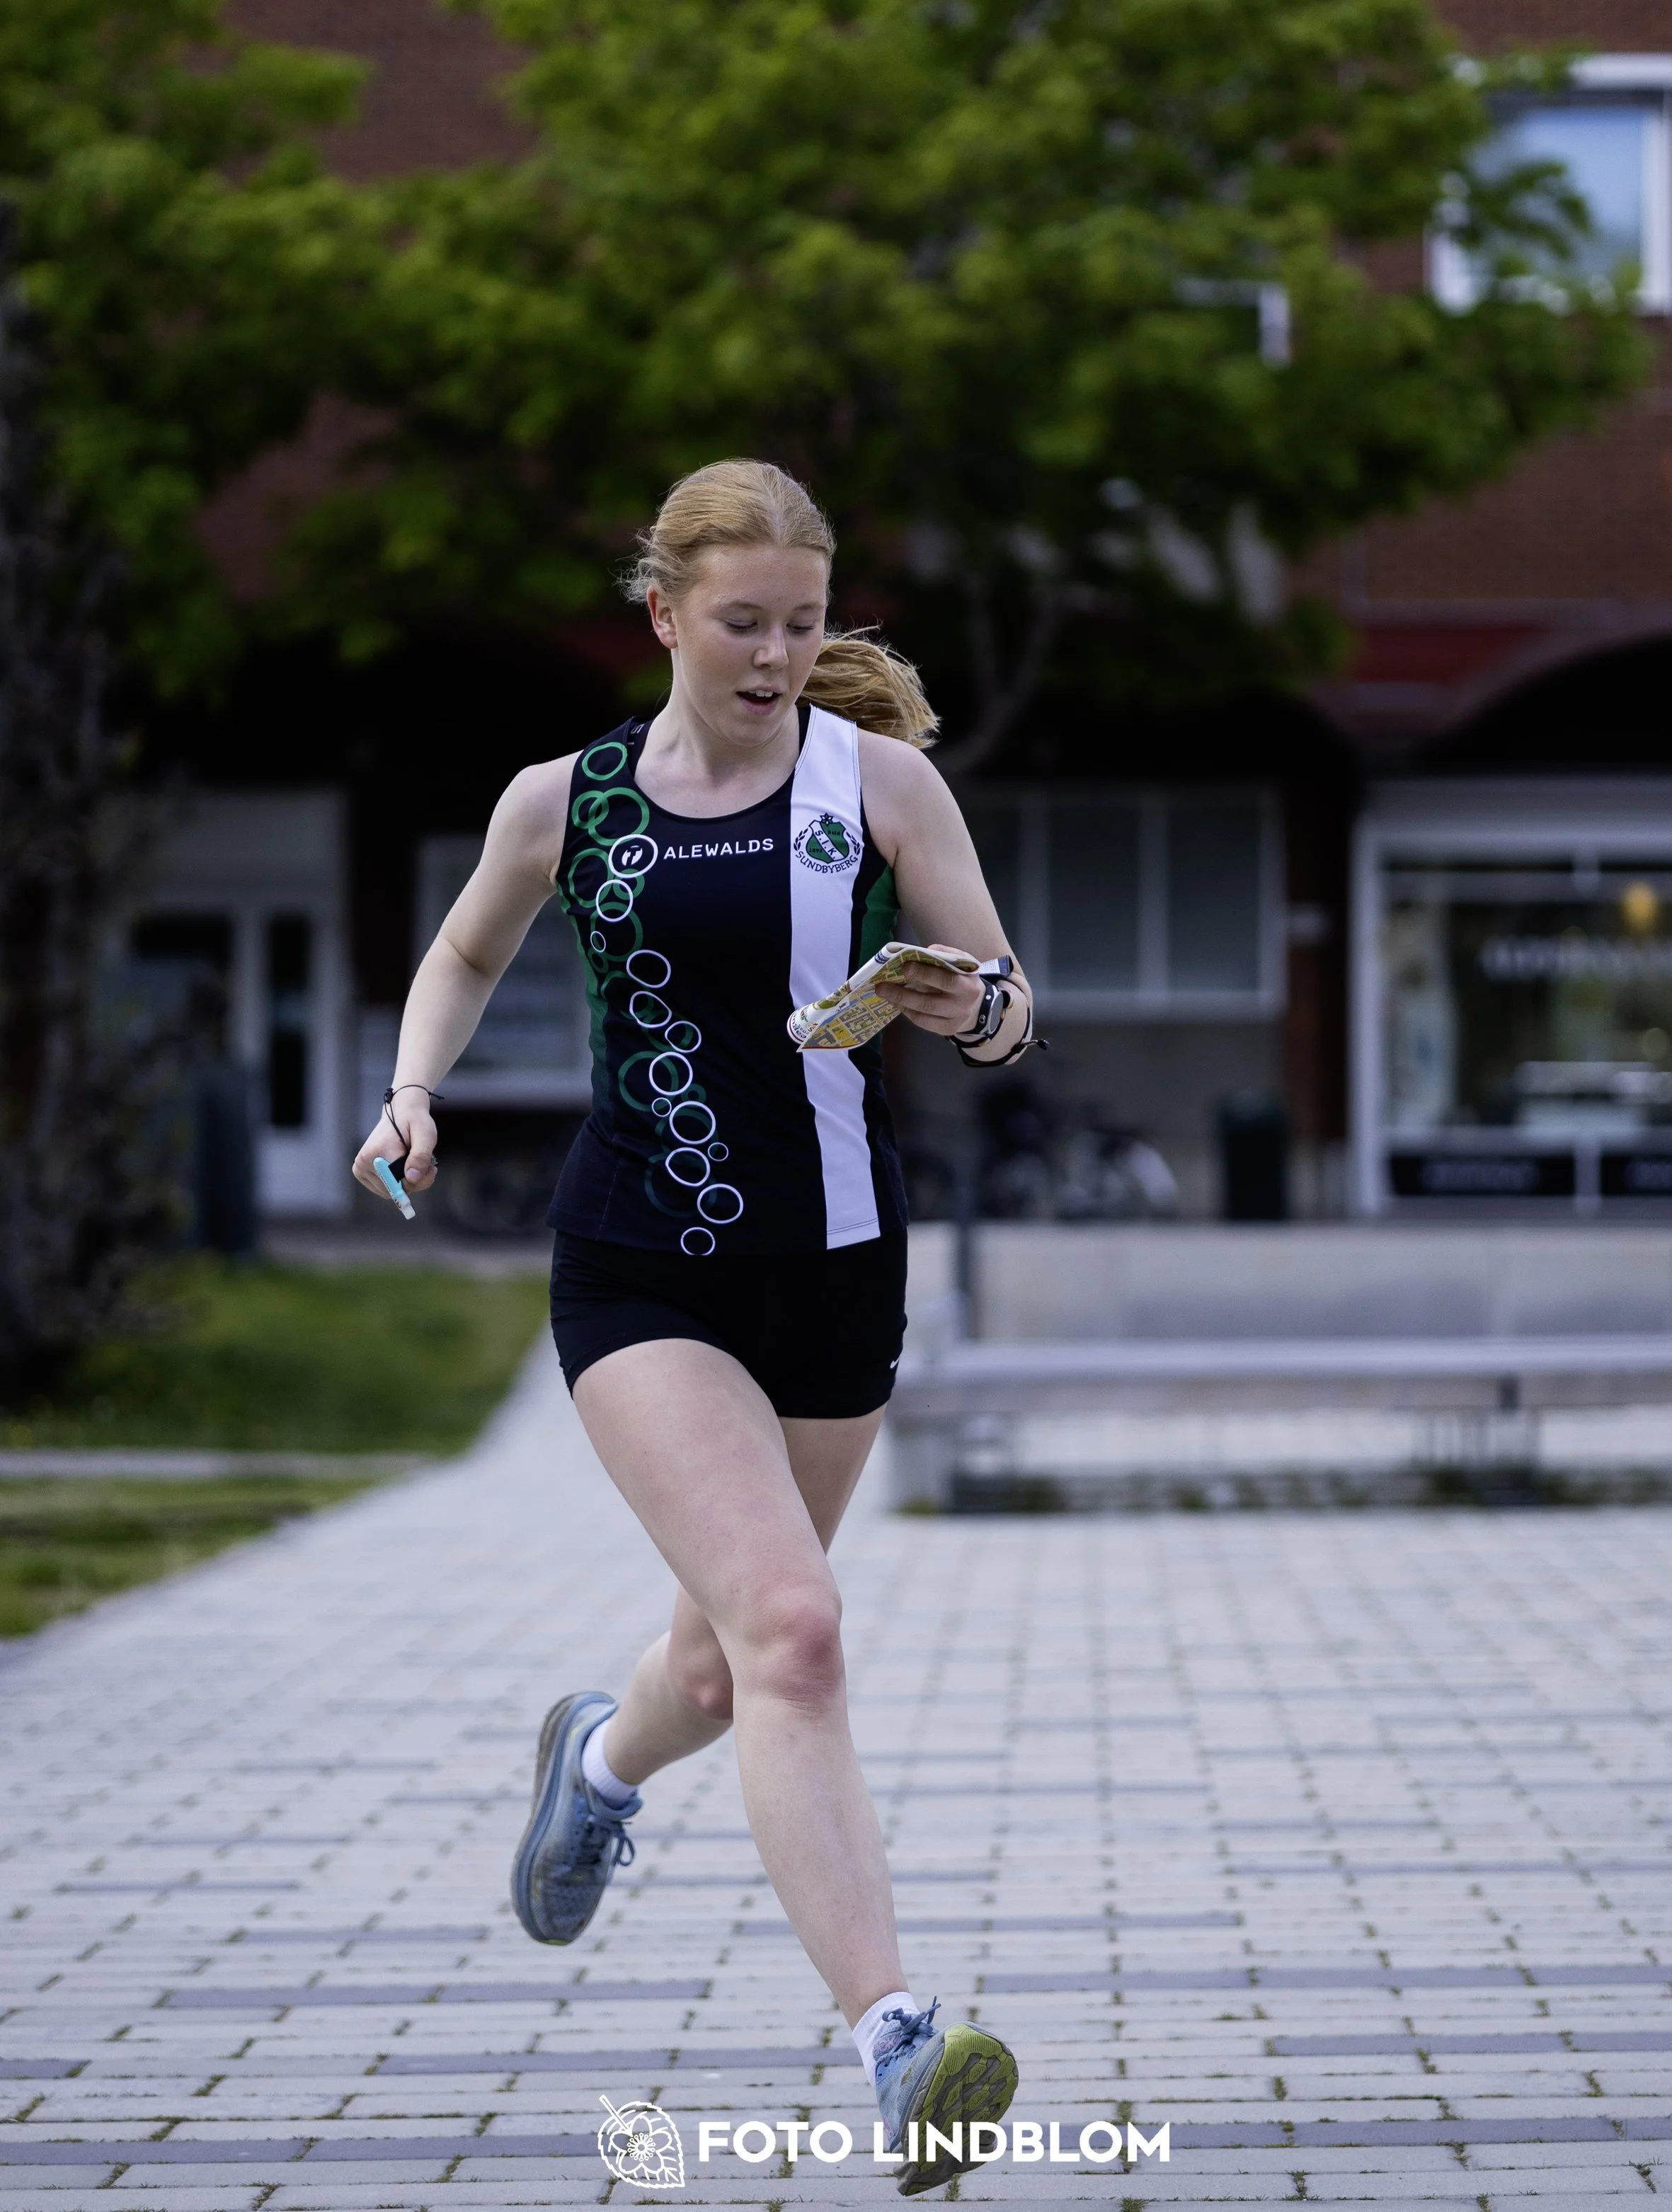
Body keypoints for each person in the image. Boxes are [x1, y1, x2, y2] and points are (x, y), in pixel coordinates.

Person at [353, 459, 1037, 2196]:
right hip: (641, 1268)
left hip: (837, 1270)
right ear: (659, 610)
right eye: (742, 622)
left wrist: (971, 1007)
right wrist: (414, 1090)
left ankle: (592, 1761)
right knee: (798, 1629)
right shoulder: (562, 799)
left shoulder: (878, 783)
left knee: (727, 1666)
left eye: (803, 624)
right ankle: (899, 2038)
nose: (776, 654)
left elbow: (1009, 999)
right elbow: (460, 952)